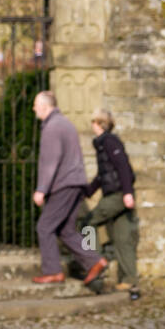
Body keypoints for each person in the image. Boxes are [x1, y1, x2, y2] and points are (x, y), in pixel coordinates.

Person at [31, 91, 108, 287]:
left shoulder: (52, 127)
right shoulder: (65, 123)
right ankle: (94, 260)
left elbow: (50, 162)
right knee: (66, 230)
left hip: (63, 185)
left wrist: (41, 189)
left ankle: (53, 272)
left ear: (45, 106)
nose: (33, 109)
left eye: (35, 105)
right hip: (76, 184)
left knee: (44, 227)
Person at [78, 109, 139, 292]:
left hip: (118, 195)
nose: (91, 126)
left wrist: (127, 193)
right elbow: (103, 174)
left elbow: (123, 167)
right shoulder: (103, 144)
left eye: (93, 122)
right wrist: (88, 191)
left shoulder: (109, 141)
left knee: (88, 223)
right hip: (119, 195)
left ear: (99, 123)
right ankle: (129, 280)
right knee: (122, 238)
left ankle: (93, 264)